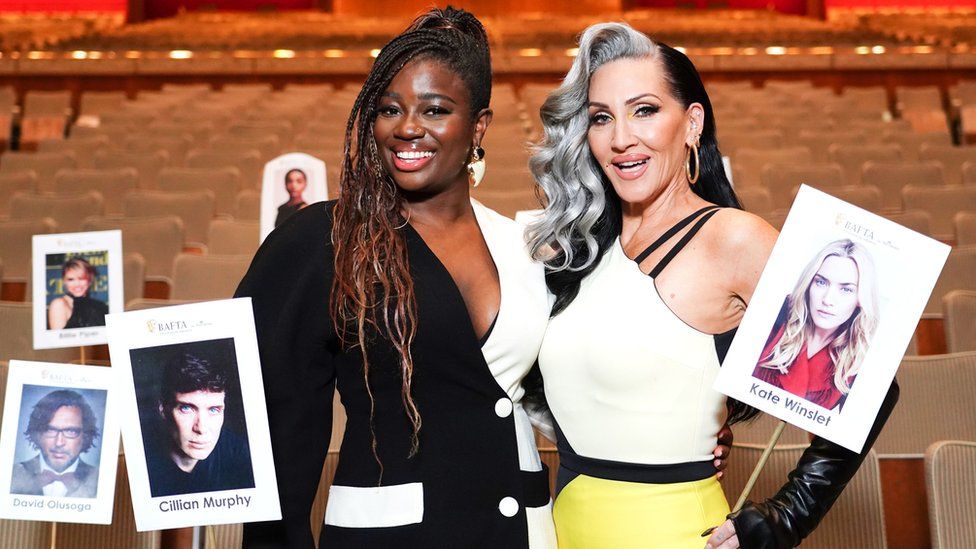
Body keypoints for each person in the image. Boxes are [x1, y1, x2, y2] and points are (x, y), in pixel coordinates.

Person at [525, 22, 898, 549]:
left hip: (678, 531)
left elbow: (869, 389)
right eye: (601, 118)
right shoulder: (575, 248)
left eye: (645, 110)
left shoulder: (733, 239)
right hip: (565, 526)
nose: (621, 137)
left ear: (692, 122)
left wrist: (785, 517)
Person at [754, 239, 879, 412]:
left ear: (860, 299)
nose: (827, 300)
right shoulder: (774, 316)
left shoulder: (863, 359)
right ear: (809, 284)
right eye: (821, 282)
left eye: (846, 289)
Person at [143, 350, 254, 497]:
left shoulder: (238, 451)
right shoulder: (143, 463)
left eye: (214, 410)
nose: (201, 428)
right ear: (163, 409)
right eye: (186, 408)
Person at [11, 389, 101, 498]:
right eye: (50, 430)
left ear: (85, 436)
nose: (59, 443)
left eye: (71, 431)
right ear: (37, 433)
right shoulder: (13, 474)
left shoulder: (100, 479)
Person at [47, 257, 108, 330]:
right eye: (71, 279)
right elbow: (57, 340)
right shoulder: (59, 304)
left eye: (81, 278)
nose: (77, 284)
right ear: (64, 281)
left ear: (90, 280)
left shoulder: (100, 307)